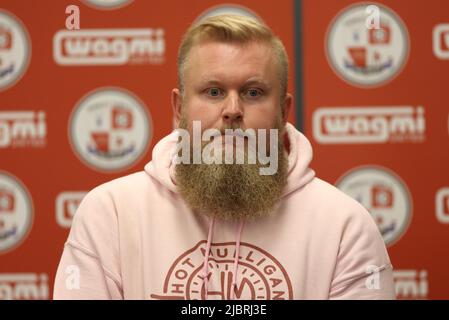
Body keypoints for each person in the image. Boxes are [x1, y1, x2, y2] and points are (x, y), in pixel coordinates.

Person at [53, 14, 395, 300]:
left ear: (283, 111)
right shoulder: (111, 214)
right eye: (213, 91)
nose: (232, 111)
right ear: (179, 108)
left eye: (253, 92)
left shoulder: (344, 226)